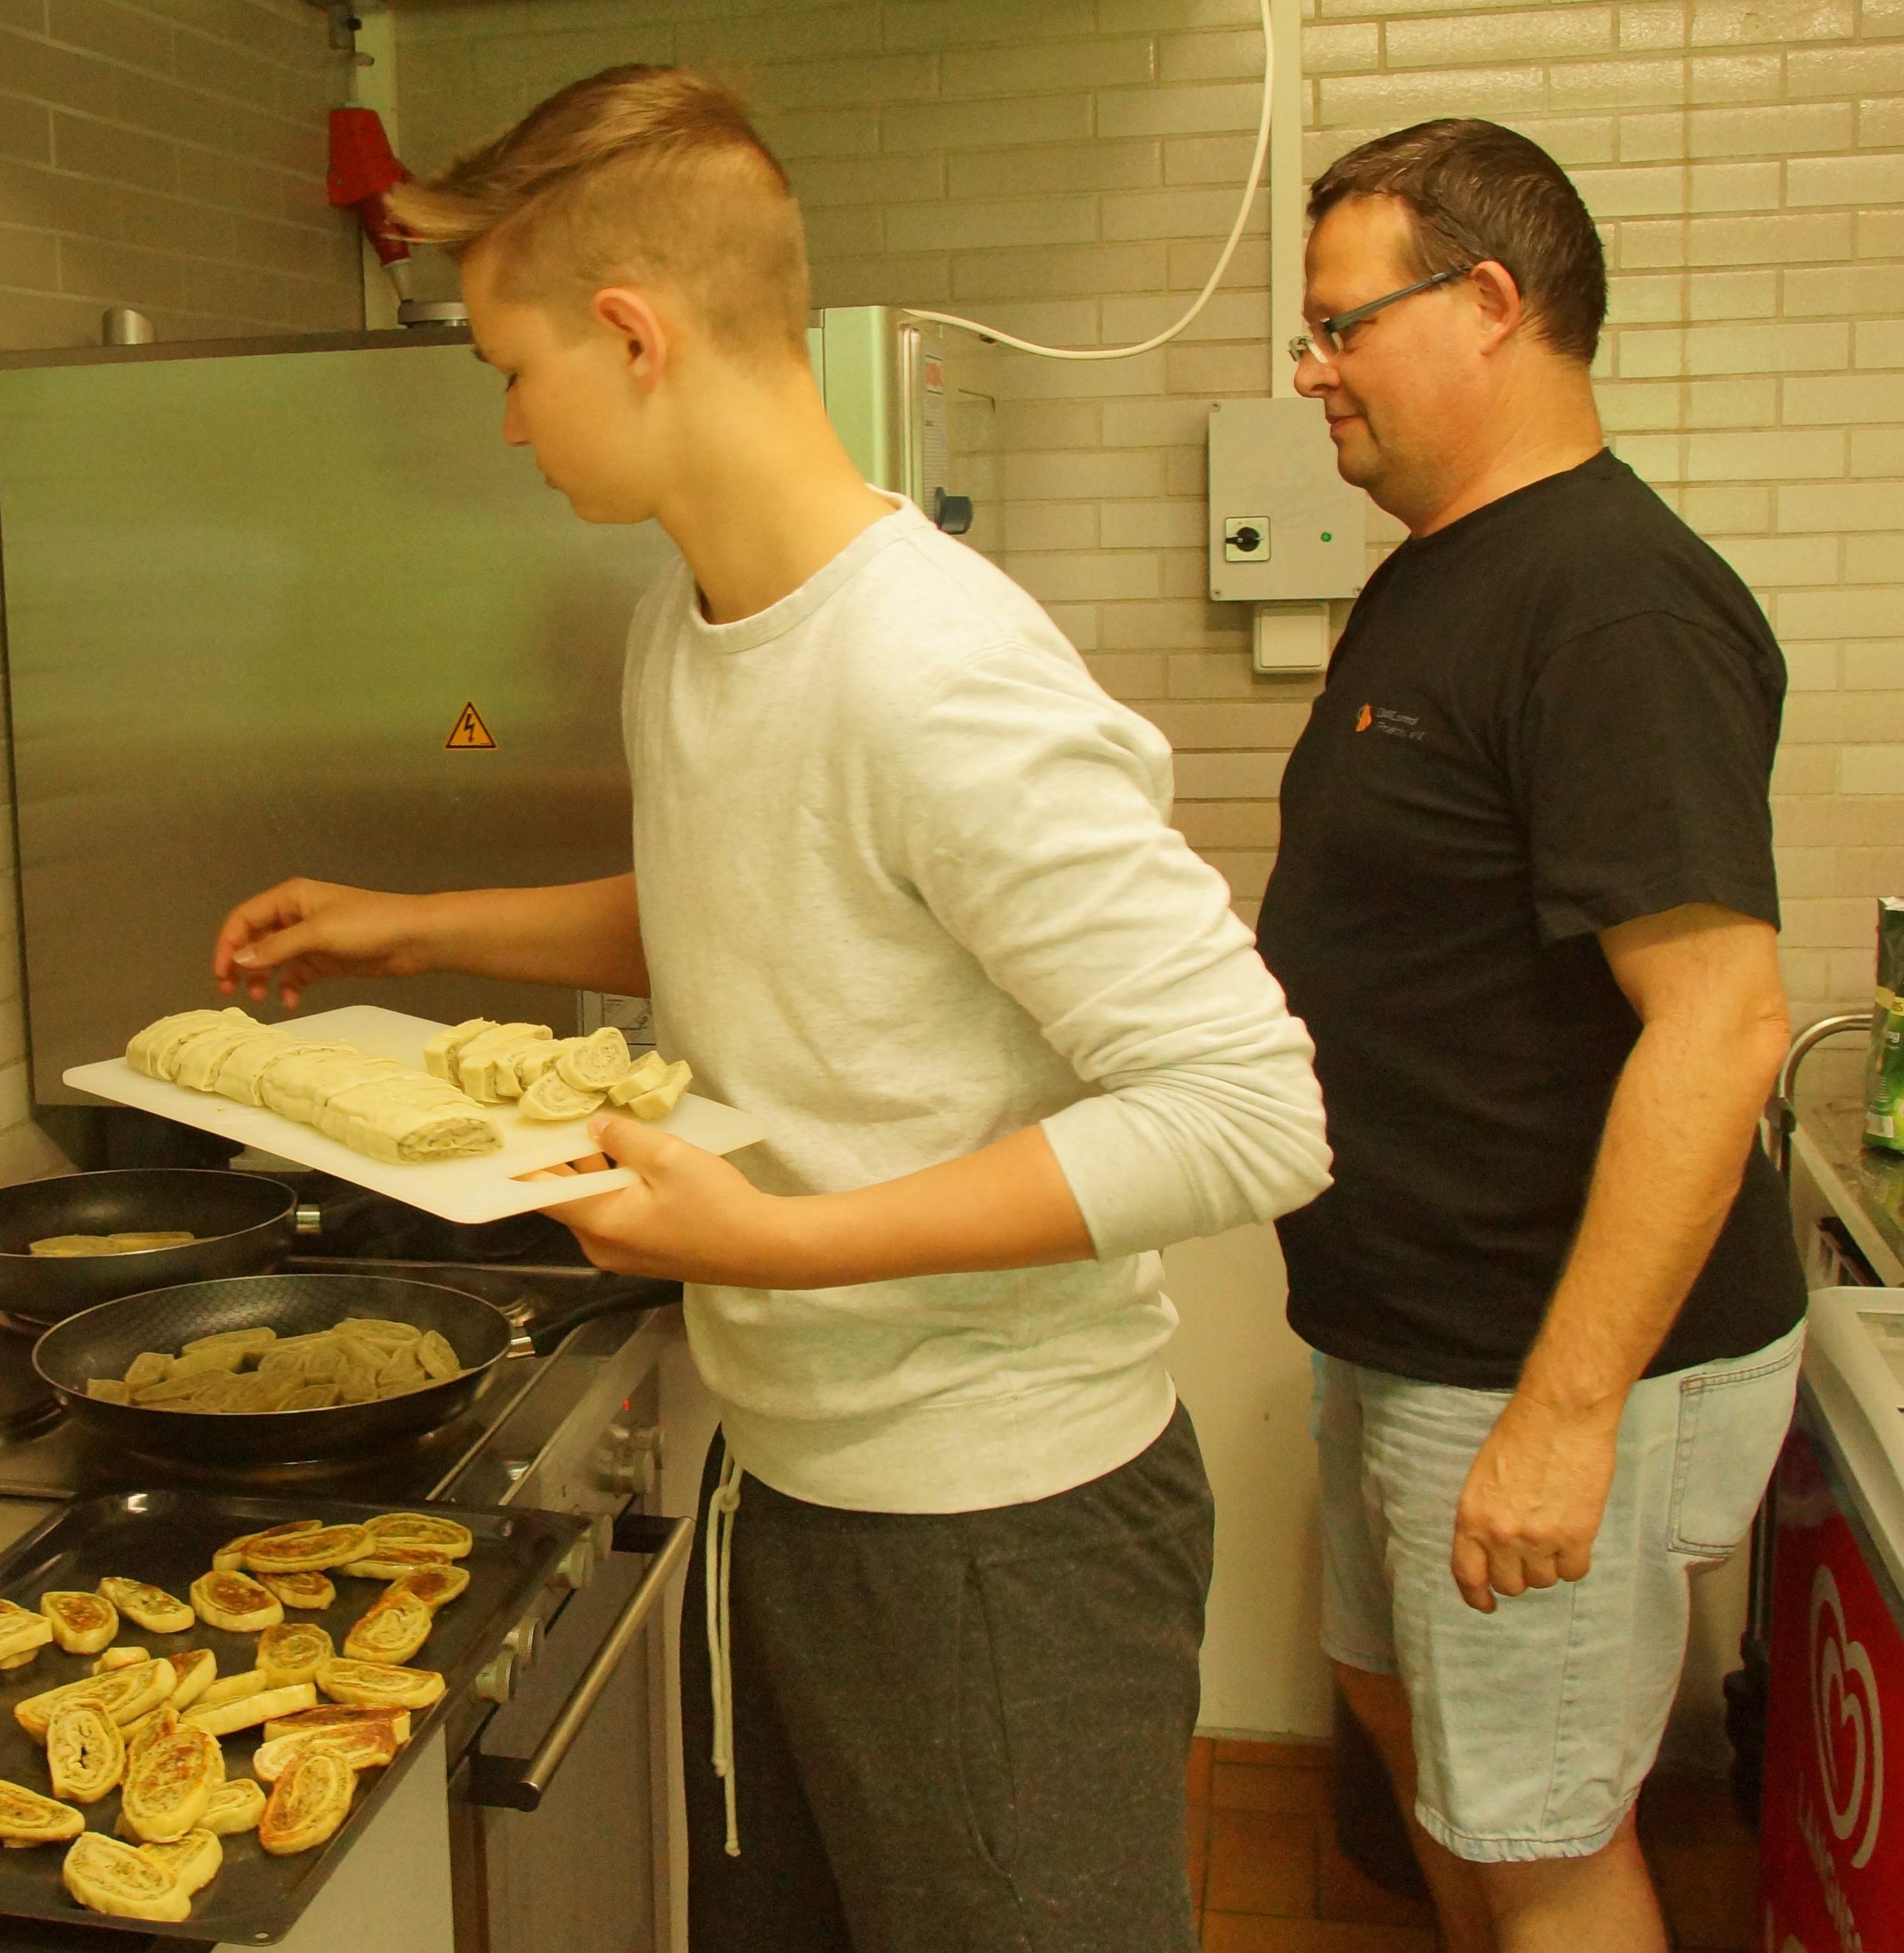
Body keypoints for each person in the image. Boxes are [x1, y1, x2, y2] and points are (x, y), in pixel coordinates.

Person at [210, 66, 1331, 1953]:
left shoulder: (937, 670)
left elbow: (1249, 1106)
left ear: (634, 335)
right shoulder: (695, 612)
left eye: (509, 364)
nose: (503, 425)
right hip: (800, 1494)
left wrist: (784, 1240)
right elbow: (769, 903)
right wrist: (416, 928)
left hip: (1006, 1540)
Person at [1255, 119, 1809, 1953]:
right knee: (1441, 1773)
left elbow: (1723, 1025)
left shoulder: (1614, 600)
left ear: (1490, 304)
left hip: (1544, 1351)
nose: (1310, 366)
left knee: (1549, 1830)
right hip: (1418, 1322)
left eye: (1341, 323)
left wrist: (1563, 1421)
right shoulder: (1438, 571)